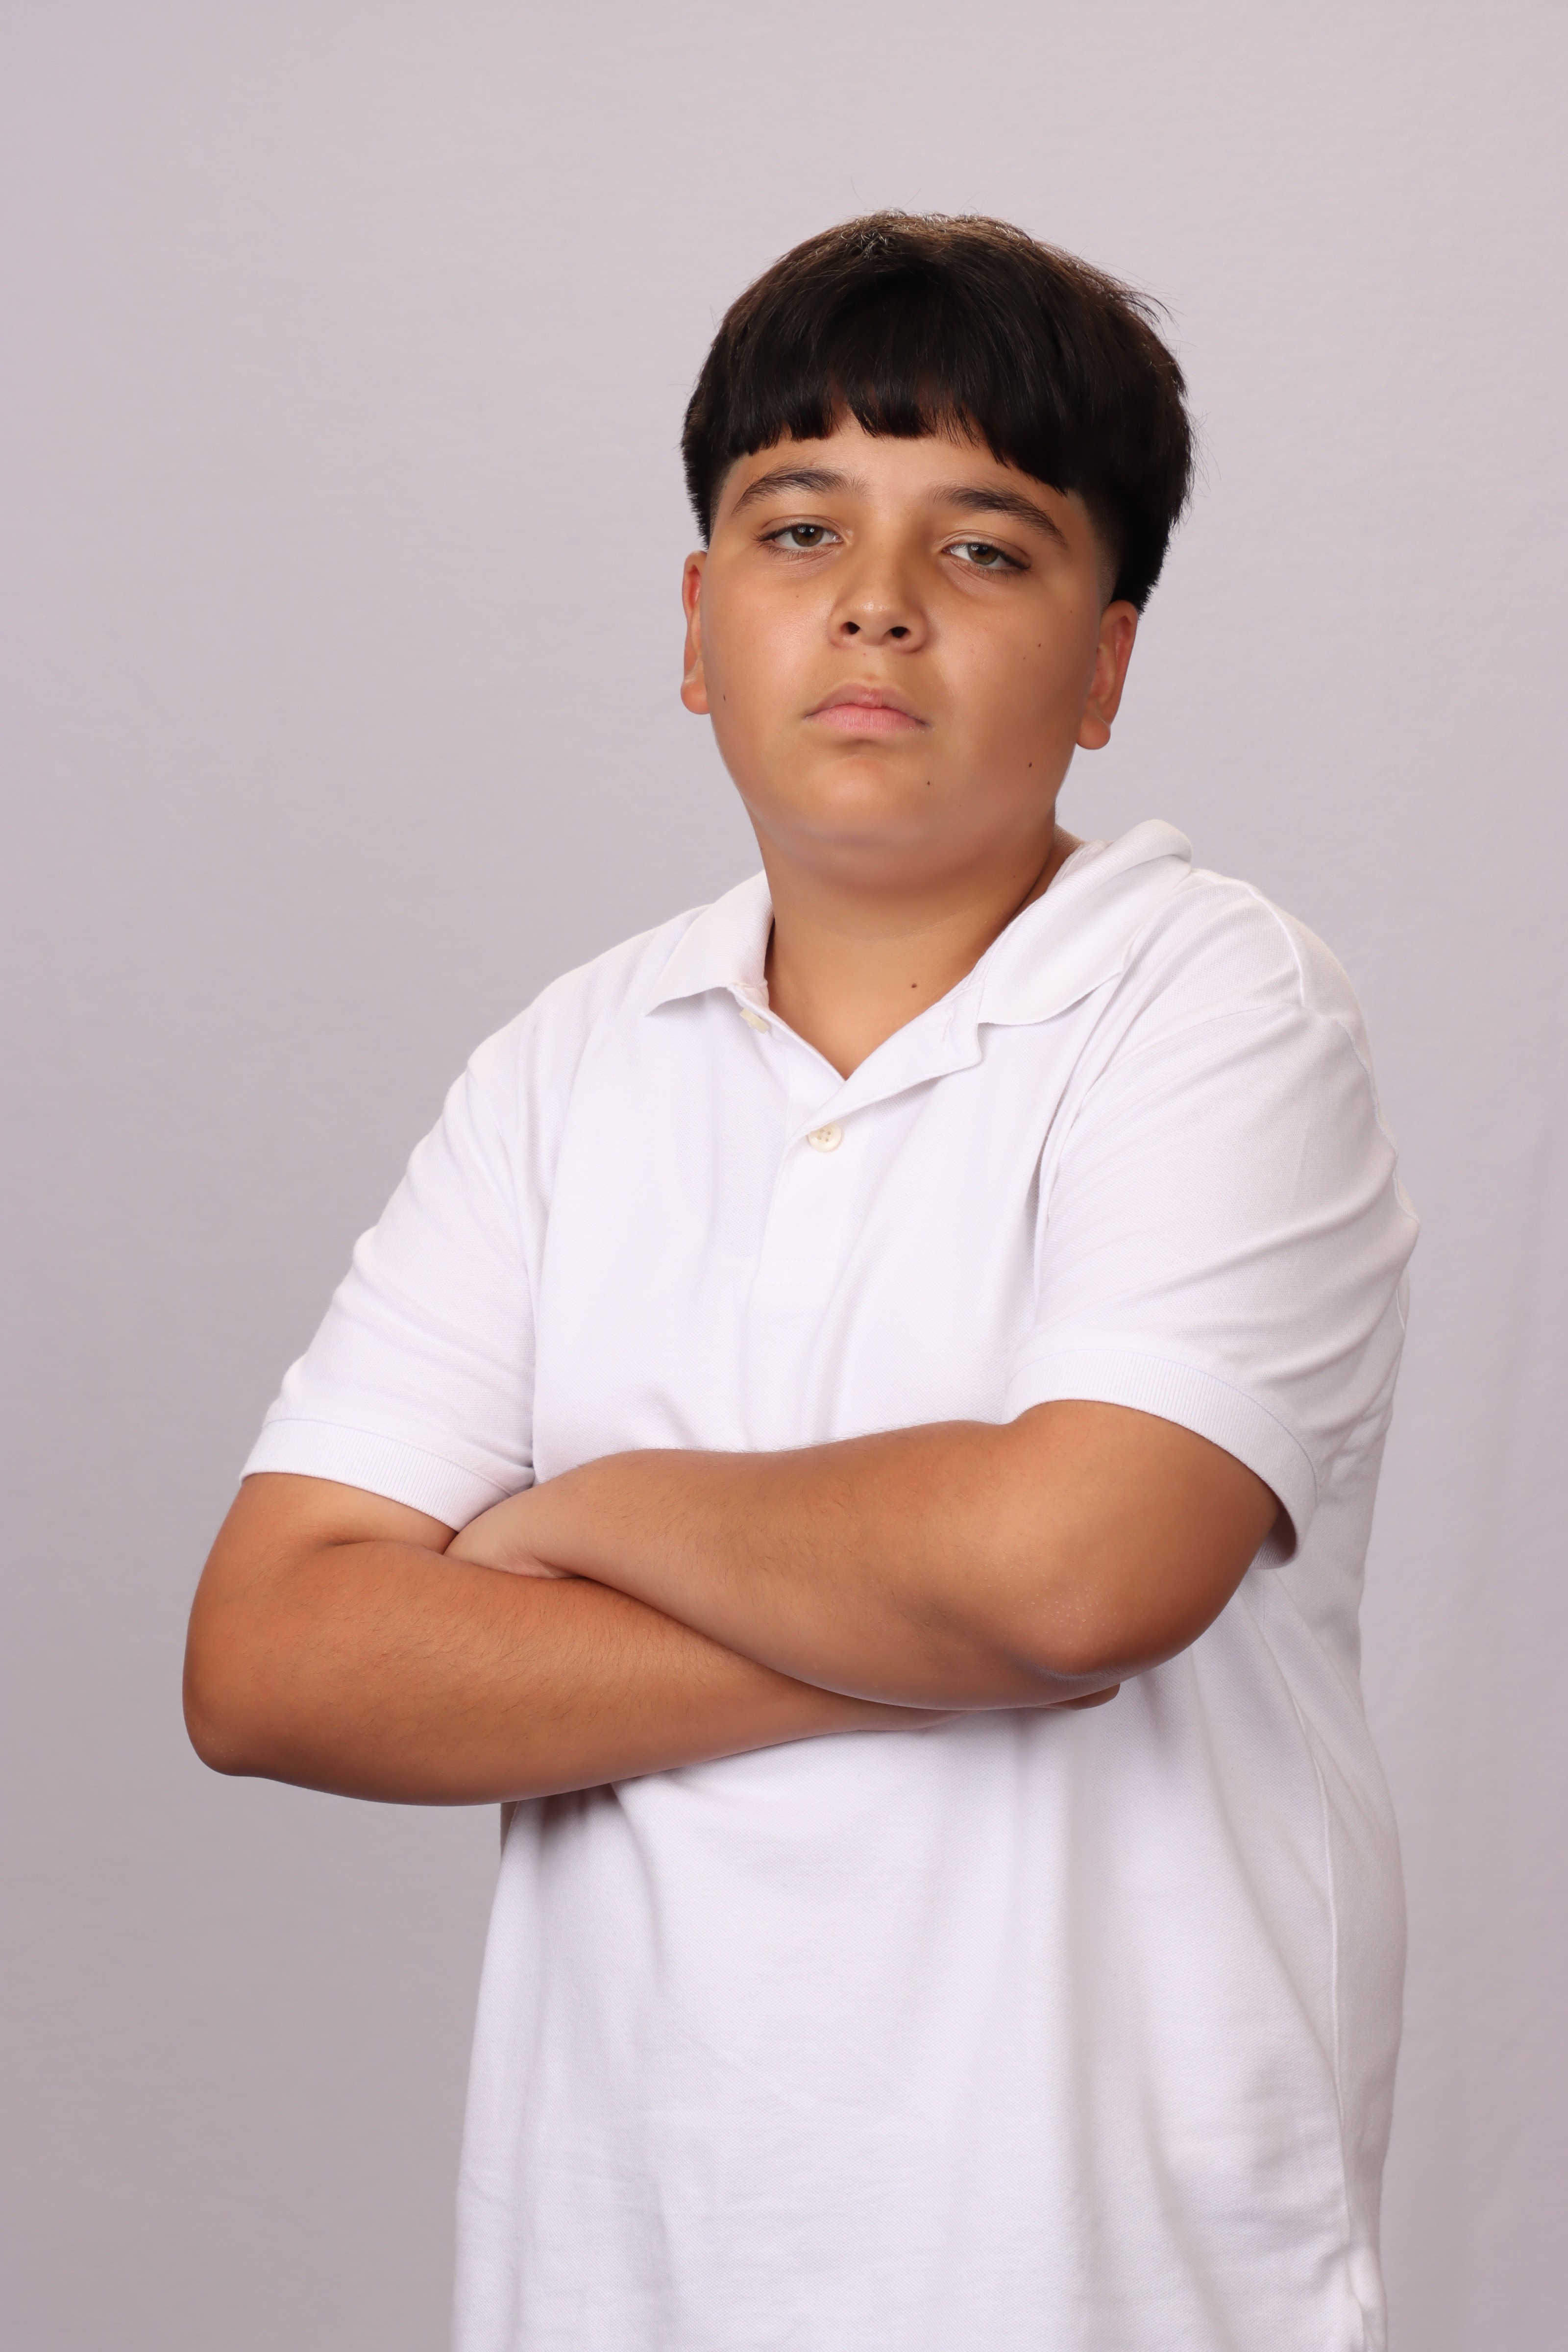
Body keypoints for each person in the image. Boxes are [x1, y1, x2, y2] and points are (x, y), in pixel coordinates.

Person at [185, 213, 1418, 2352]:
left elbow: (1075, 1579)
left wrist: (587, 1521)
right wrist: (923, 1632)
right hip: (620, 2277)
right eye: (798, 527)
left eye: (985, 548)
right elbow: (272, 1660)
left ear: (1106, 667)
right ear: (698, 627)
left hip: (1104, 2282)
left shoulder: (1212, 1001)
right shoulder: (566, 1066)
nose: (875, 601)